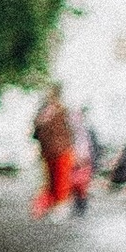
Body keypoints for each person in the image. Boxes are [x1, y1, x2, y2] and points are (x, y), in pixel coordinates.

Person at [32, 83, 79, 215]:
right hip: (49, 150)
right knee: (52, 179)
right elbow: (37, 130)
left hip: (62, 150)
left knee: (61, 179)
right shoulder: (44, 110)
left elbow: (73, 131)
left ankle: (61, 207)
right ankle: (54, 206)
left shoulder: (63, 110)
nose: (48, 95)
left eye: (50, 92)